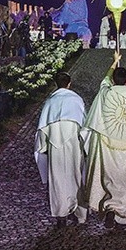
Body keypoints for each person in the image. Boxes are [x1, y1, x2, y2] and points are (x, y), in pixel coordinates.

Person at [81, 52, 126, 229]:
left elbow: (104, 82)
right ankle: (122, 215)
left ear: (114, 80)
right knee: (124, 179)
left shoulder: (106, 93)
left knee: (110, 178)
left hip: (108, 143)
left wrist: (114, 62)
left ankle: (109, 208)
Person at [34, 71, 87, 226]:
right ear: (69, 83)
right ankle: (78, 212)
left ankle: (61, 214)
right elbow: (84, 123)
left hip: (55, 144)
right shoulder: (76, 99)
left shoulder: (51, 101)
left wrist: (43, 145)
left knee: (57, 179)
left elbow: (43, 127)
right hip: (73, 143)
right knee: (75, 176)